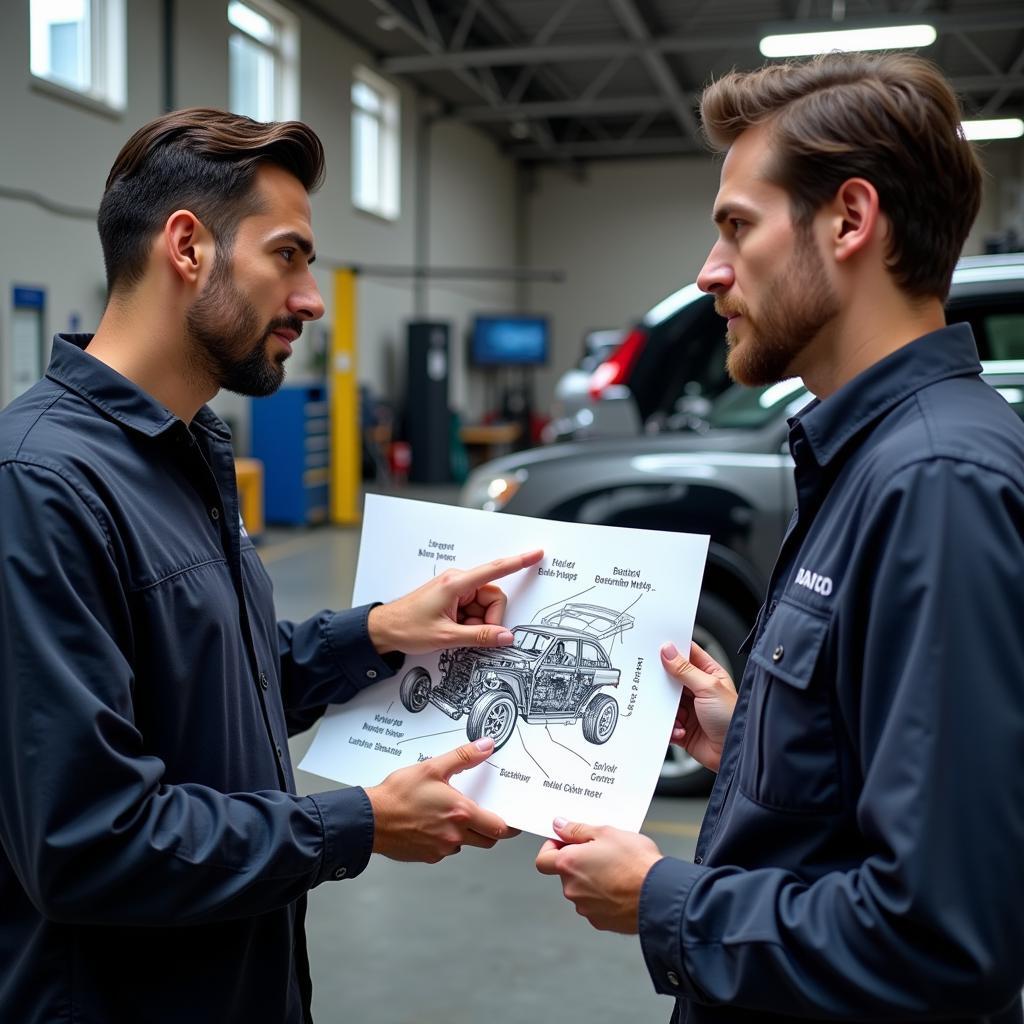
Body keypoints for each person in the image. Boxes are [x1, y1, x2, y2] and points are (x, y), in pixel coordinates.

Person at [0, 108, 542, 1024]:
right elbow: (89, 840)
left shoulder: (185, 452)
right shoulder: (40, 484)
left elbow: (212, 682)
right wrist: (360, 823)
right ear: (188, 248)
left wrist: (376, 633)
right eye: (287, 256)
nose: (312, 298)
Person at [536, 52, 1024, 1022]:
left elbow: (942, 934)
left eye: (735, 227)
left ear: (850, 219)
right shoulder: (865, 451)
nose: (711, 271)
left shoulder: (934, 484)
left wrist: (661, 900)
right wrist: (757, 738)